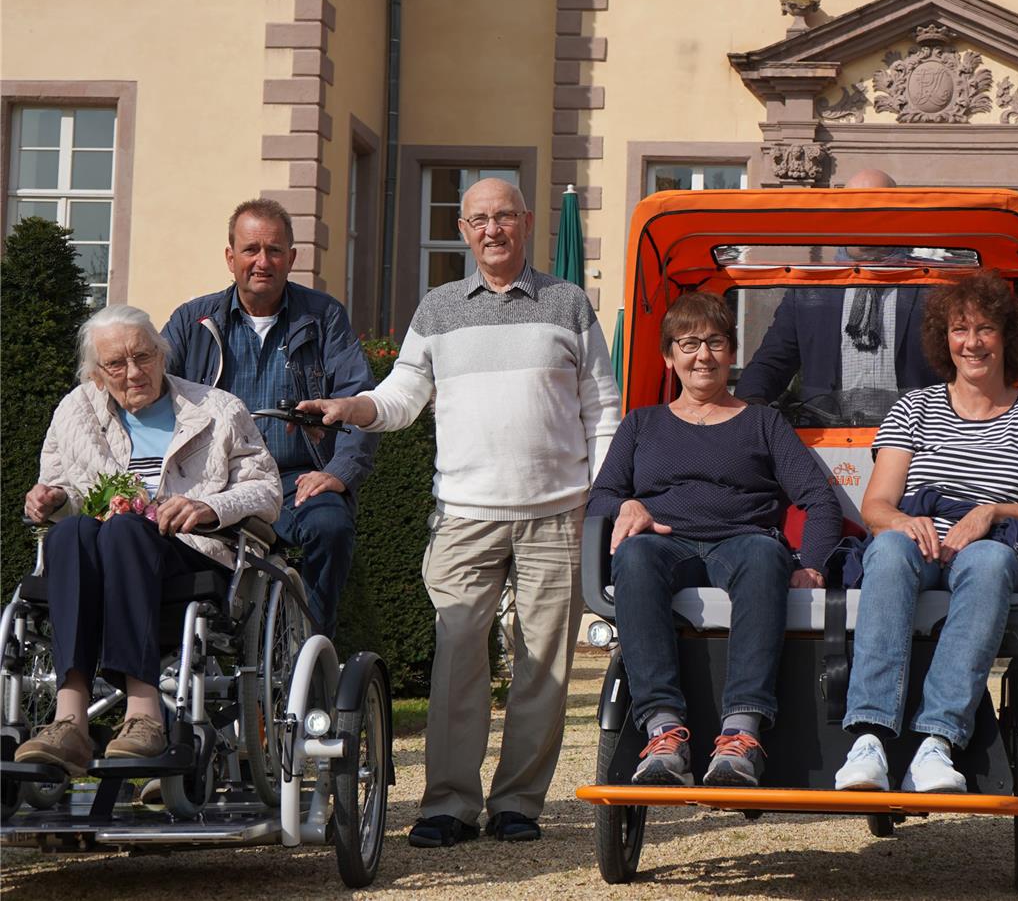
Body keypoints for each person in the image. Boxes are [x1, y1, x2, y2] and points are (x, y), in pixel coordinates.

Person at [299, 177, 621, 847]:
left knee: (545, 666)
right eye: (479, 219)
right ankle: (446, 803)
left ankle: (517, 805)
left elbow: (604, 410)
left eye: (504, 216)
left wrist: (599, 498)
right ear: (462, 228)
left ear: (526, 223)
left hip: (556, 512)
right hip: (465, 514)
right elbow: (401, 396)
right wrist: (351, 408)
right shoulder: (439, 308)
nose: (493, 229)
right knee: (456, 657)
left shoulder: (567, 303)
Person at [834, 270, 1018, 793]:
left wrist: (993, 510)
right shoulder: (913, 408)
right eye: (959, 329)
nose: (972, 342)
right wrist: (903, 520)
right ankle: (871, 737)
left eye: (985, 329)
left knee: (990, 562)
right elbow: (875, 504)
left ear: (1007, 337)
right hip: (917, 543)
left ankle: (937, 742)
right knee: (889, 548)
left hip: (993, 545)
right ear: (943, 339)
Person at [588, 292, 845, 787]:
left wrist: (811, 563)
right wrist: (628, 505)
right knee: (635, 554)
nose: (702, 355)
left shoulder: (763, 422)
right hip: (665, 543)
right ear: (669, 356)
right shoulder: (642, 423)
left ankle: (740, 737)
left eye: (714, 342)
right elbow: (601, 496)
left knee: (764, 553)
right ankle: (665, 734)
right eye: (688, 344)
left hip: (741, 540)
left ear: (730, 354)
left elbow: (819, 500)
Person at [16, 306, 281, 774]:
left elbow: (265, 489)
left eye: (144, 356)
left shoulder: (217, 410)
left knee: (123, 529)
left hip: (193, 557)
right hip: (102, 564)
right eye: (116, 365)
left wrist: (209, 508)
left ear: (162, 355)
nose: (134, 372)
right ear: (96, 375)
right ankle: (69, 719)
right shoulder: (74, 411)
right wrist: (52, 499)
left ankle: (143, 715)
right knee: (73, 529)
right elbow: (65, 490)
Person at [163, 198, 377, 634]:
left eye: (275, 250)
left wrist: (338, 473)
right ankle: (200, 643)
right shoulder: (192, 321)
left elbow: (360, 400)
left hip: (297, 482)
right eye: (251, 250)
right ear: (230, 256)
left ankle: (313, 645)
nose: (263, 261)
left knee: (331, 526)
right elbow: (150, 395)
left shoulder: (324, 317)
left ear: (291, 258)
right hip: (216, 482)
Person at [735, 170, 938, 419]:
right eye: (855, 212)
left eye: (876, 211)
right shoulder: (810, 289)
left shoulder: (932, 286)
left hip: (915, 440)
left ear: (894, 216)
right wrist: (746, 411)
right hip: (826, 439)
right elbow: (771, 364)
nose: (865, 222)